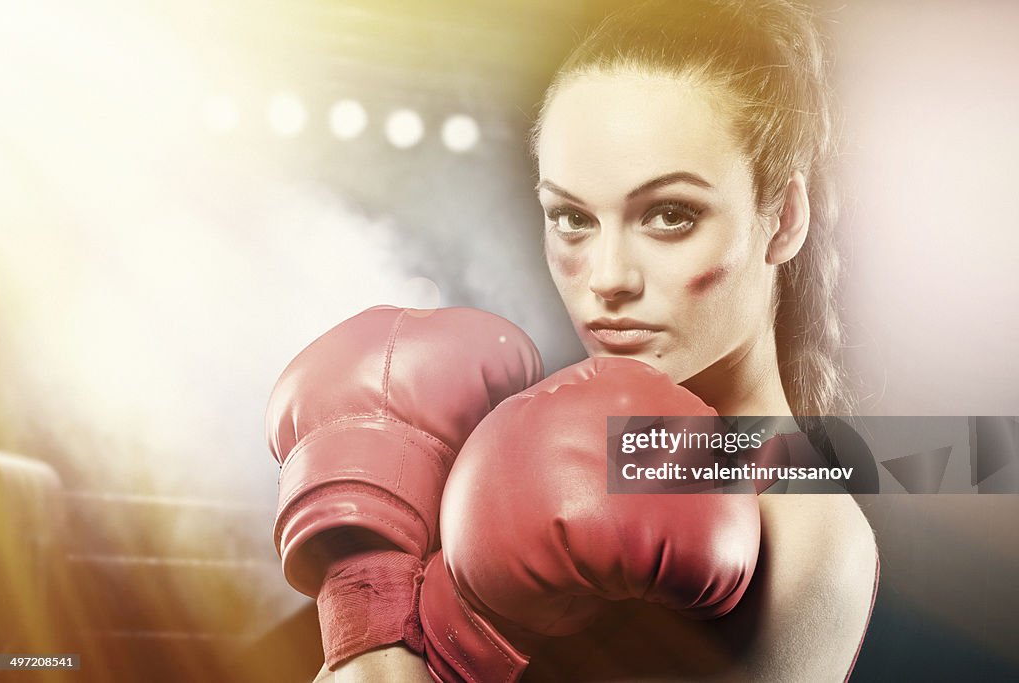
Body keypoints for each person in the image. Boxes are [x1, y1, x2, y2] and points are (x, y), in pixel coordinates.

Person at [272, 1, 878, 681]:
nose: (608, 279)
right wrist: (370, 590)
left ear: (784, 219)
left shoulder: (805, 529)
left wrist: (440, 630)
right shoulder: (519, 449)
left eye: (670, 215)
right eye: (571, 217)